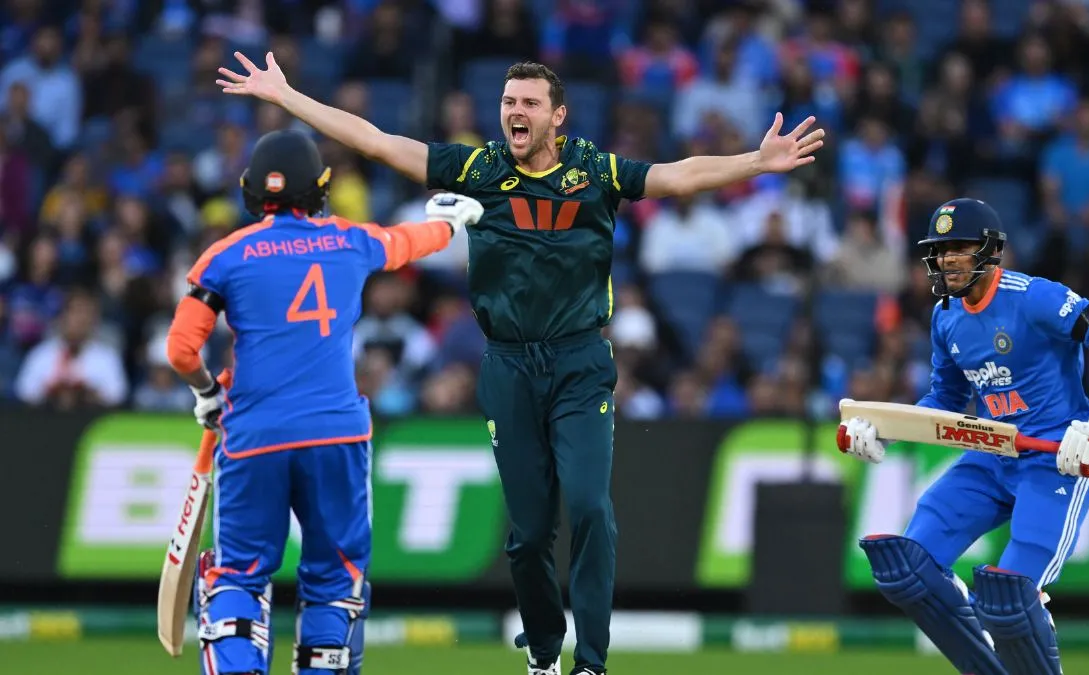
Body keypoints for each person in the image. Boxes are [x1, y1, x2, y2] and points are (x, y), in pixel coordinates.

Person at [215, 53, 825, 675]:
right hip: (508, 367)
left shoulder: (595, 170)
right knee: (529, 535)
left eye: (530, 103)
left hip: (580, 364)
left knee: (590, 508)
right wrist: (288, 98)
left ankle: (591, 663)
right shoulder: (479, 169)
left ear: (557, 116)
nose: (515, 112)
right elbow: (376, 142)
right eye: (509, 102)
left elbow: (678, 176)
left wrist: (756, 162)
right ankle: (543, 653)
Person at [164, 128, 484, 675]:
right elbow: (408, 241)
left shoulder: (226, 255)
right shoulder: (349, 241)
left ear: (251, 189)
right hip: (337, 436)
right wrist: (450, 223)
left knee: (238, 577)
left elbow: (180, 349)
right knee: (336, 582)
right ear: (320, 186)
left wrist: (208, 393)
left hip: (255, 437)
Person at [839, 198, 1089, 675]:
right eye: (940, 250)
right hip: (990, 457)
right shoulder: (945, 316)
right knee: (908, 569)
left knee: (1009, 599)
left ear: (989, 250)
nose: (946, 260)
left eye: (958, 248)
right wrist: (884, 430)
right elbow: (946, 399)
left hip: (1056, 461)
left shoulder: (1032, 297)